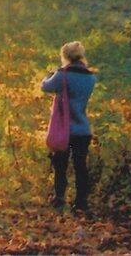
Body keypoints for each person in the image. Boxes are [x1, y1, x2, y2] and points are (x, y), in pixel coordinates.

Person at [41, 41, 96, 212]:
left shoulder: (62, 75)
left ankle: (59, 199)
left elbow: (45, 86)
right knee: (80, 165)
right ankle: (81, 201)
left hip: (64, 130)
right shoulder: (90, 77)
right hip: (83, 129)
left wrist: (50, 74)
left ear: (65, 57)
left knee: (60, 165)